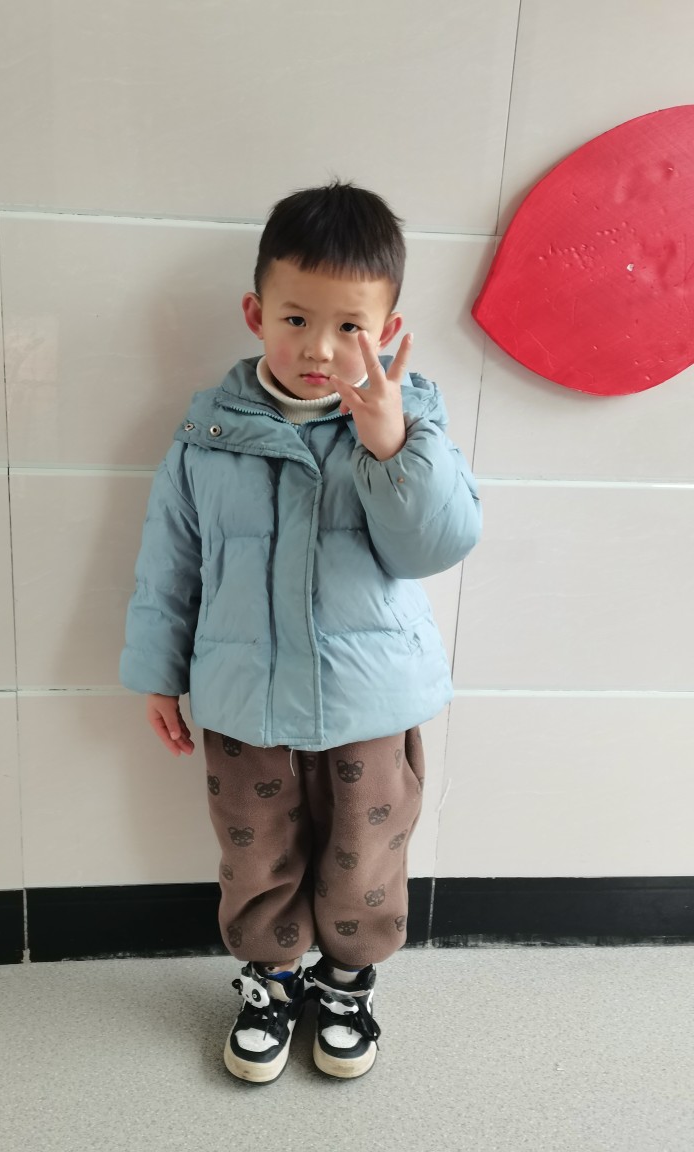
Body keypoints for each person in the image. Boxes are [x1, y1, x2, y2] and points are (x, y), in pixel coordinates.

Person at [120, 181, 481, 1083]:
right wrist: (158, 674)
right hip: (245, 704)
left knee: (366, 859)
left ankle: (347, 984)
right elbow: (170, 563)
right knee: (258, 858)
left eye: (350, 326)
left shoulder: (410, 422)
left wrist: (390, 443)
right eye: (295, 319)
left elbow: (439, 544)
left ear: (388, 330)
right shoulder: (208, 434)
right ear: (256, 314)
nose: (320, 348)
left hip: (371, 707)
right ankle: (271, 982)